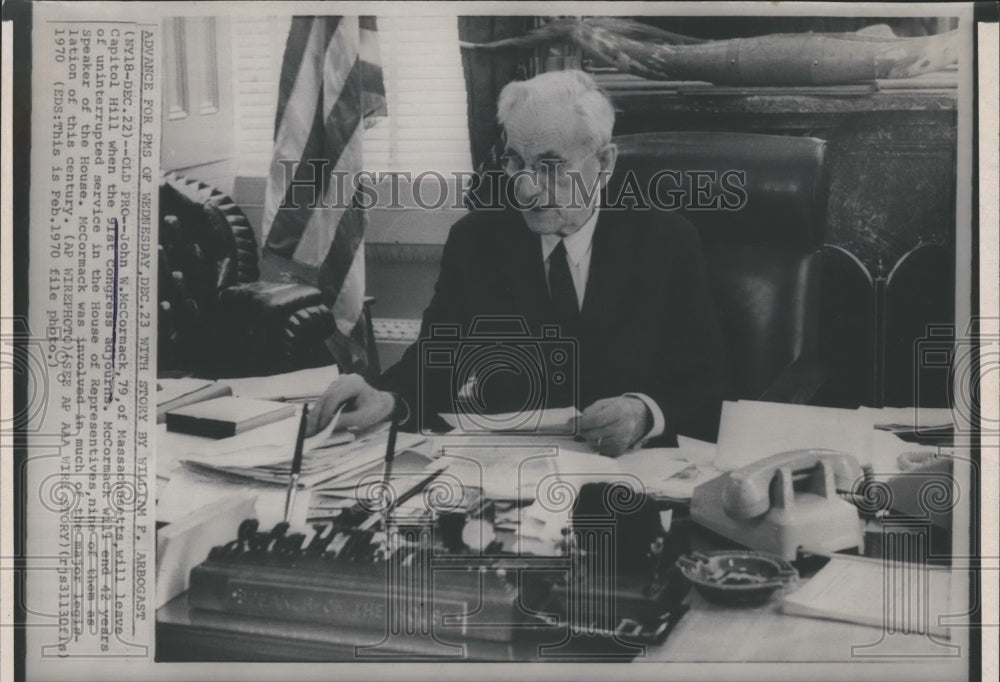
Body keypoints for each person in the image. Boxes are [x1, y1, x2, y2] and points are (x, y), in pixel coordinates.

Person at [307, 69, 725, 456]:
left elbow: (707, 383)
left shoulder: (666, 241)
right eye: (515, 162)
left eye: (550, 165)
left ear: (605, 163)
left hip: (631, 478)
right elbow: (436, 361)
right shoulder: (477, 240)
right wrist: (386, 398)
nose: (525, 187)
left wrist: (644, 413)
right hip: (508, 476)